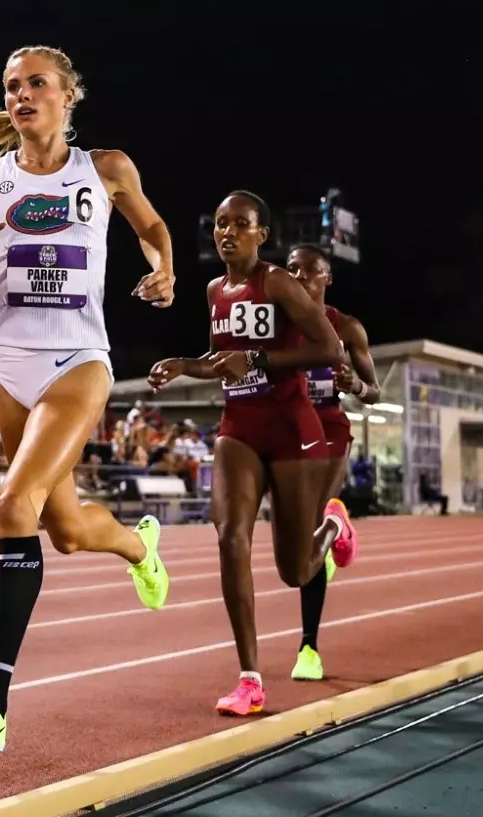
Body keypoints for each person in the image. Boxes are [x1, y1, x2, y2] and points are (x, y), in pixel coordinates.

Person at [0, 45, 175, 755]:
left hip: (77, 360)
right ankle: (137, 543)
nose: (22, 95)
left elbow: (152, 228)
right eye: (11, 86)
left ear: (69, 95)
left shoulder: (107, 168)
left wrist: (166, 271)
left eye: (36, 83)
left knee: (11, 504)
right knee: (62, 528)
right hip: (7, 366)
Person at [146, 191, 353, 717]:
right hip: (238, 428)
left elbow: (329, 350)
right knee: (230, 535)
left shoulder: (277, 282)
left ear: (262, 235)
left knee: (295, 572)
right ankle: (250, 679)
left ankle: (333, 527)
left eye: (241, 223)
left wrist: (258, 358)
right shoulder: (215, 289)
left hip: (290, 427)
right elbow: (223, 361)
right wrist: (183, 365)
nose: (227, 231)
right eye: (220, 223)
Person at [282, 243, 377, 681]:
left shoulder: (347, 328)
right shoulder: (273, 326)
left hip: (330, 429)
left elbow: (374, 391)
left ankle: (309, 648)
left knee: (314, 526)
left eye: (308, 270)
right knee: (299, 540)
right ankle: (336, 526)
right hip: (287, 432)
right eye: (291, 269)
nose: (299, 276)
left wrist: (355, 381)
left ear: (327, 278)